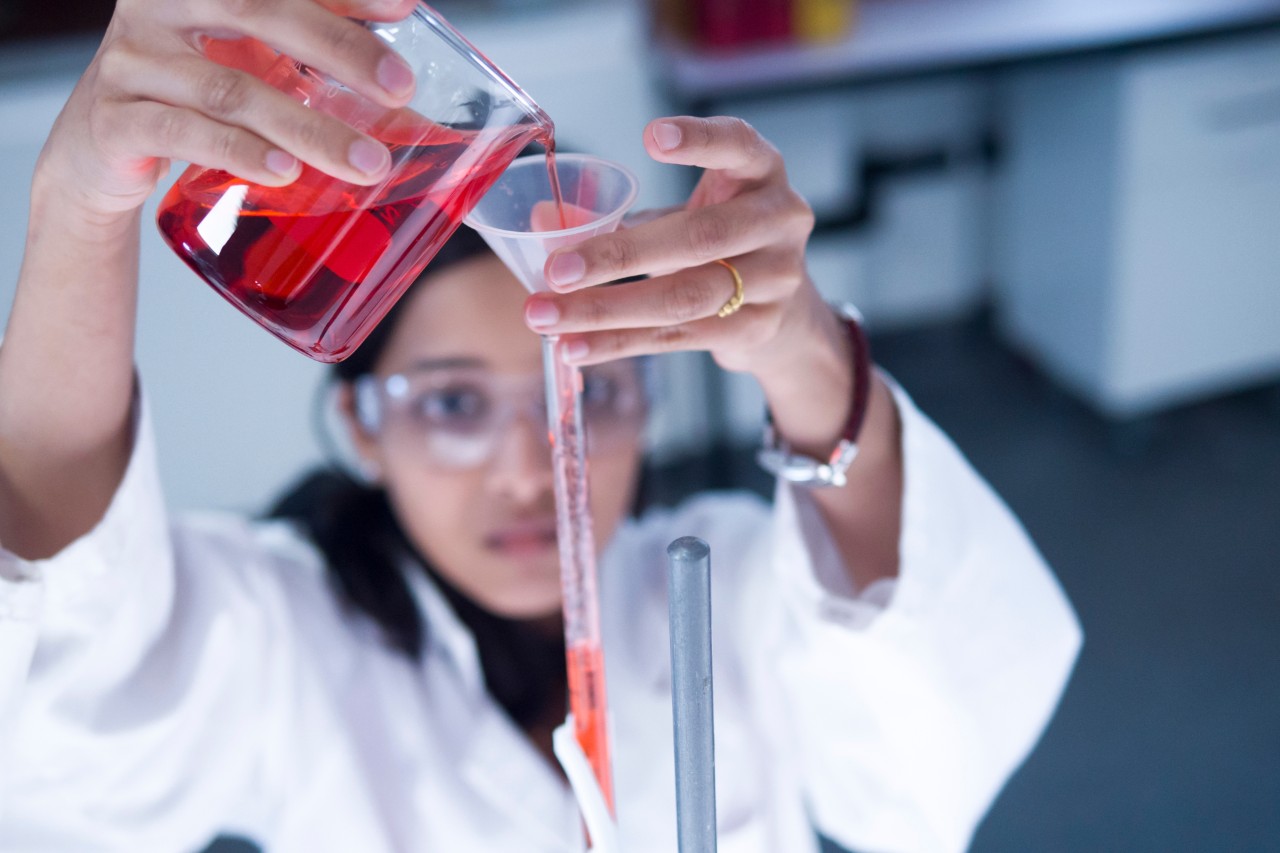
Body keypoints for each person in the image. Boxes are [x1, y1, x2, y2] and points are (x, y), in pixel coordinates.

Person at [0, 0, 1082, 850]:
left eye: (583, 390)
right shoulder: (288, 639)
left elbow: (933, 738)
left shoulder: (726, 588)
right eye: (454, 403)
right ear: (361, 425)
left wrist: (802, 351)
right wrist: (79, 209)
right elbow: (71, 681)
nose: (530, 468)